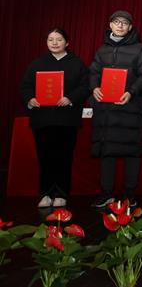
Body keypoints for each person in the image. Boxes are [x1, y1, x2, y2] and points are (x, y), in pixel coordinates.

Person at [19, 28, 89, 208]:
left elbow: (85, 86)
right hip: (43, 119)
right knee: (45, 157)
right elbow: (25, 86)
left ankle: (61, 194)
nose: (55, 43)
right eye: (51, 39)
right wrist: (30, 98)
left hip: (66, 120)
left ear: (67, 42)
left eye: (59, 39)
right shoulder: (37, 63)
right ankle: (46, 193)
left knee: (64, 157)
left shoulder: (77, 64)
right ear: (47, 42)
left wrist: (70, 98)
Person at [89, 11, 142, 208]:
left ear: (130, 27)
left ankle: (129, 195)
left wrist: (131, 92)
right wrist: (94, 87)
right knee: (106, 151)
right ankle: (106, 193)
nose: (120, 26)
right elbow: (93, 73)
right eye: (116, 22)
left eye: (124, 23)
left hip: (129, 107)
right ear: (110, 25)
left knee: (131, 152)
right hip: (106, 110)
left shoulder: (140, 49)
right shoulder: (102, 50)